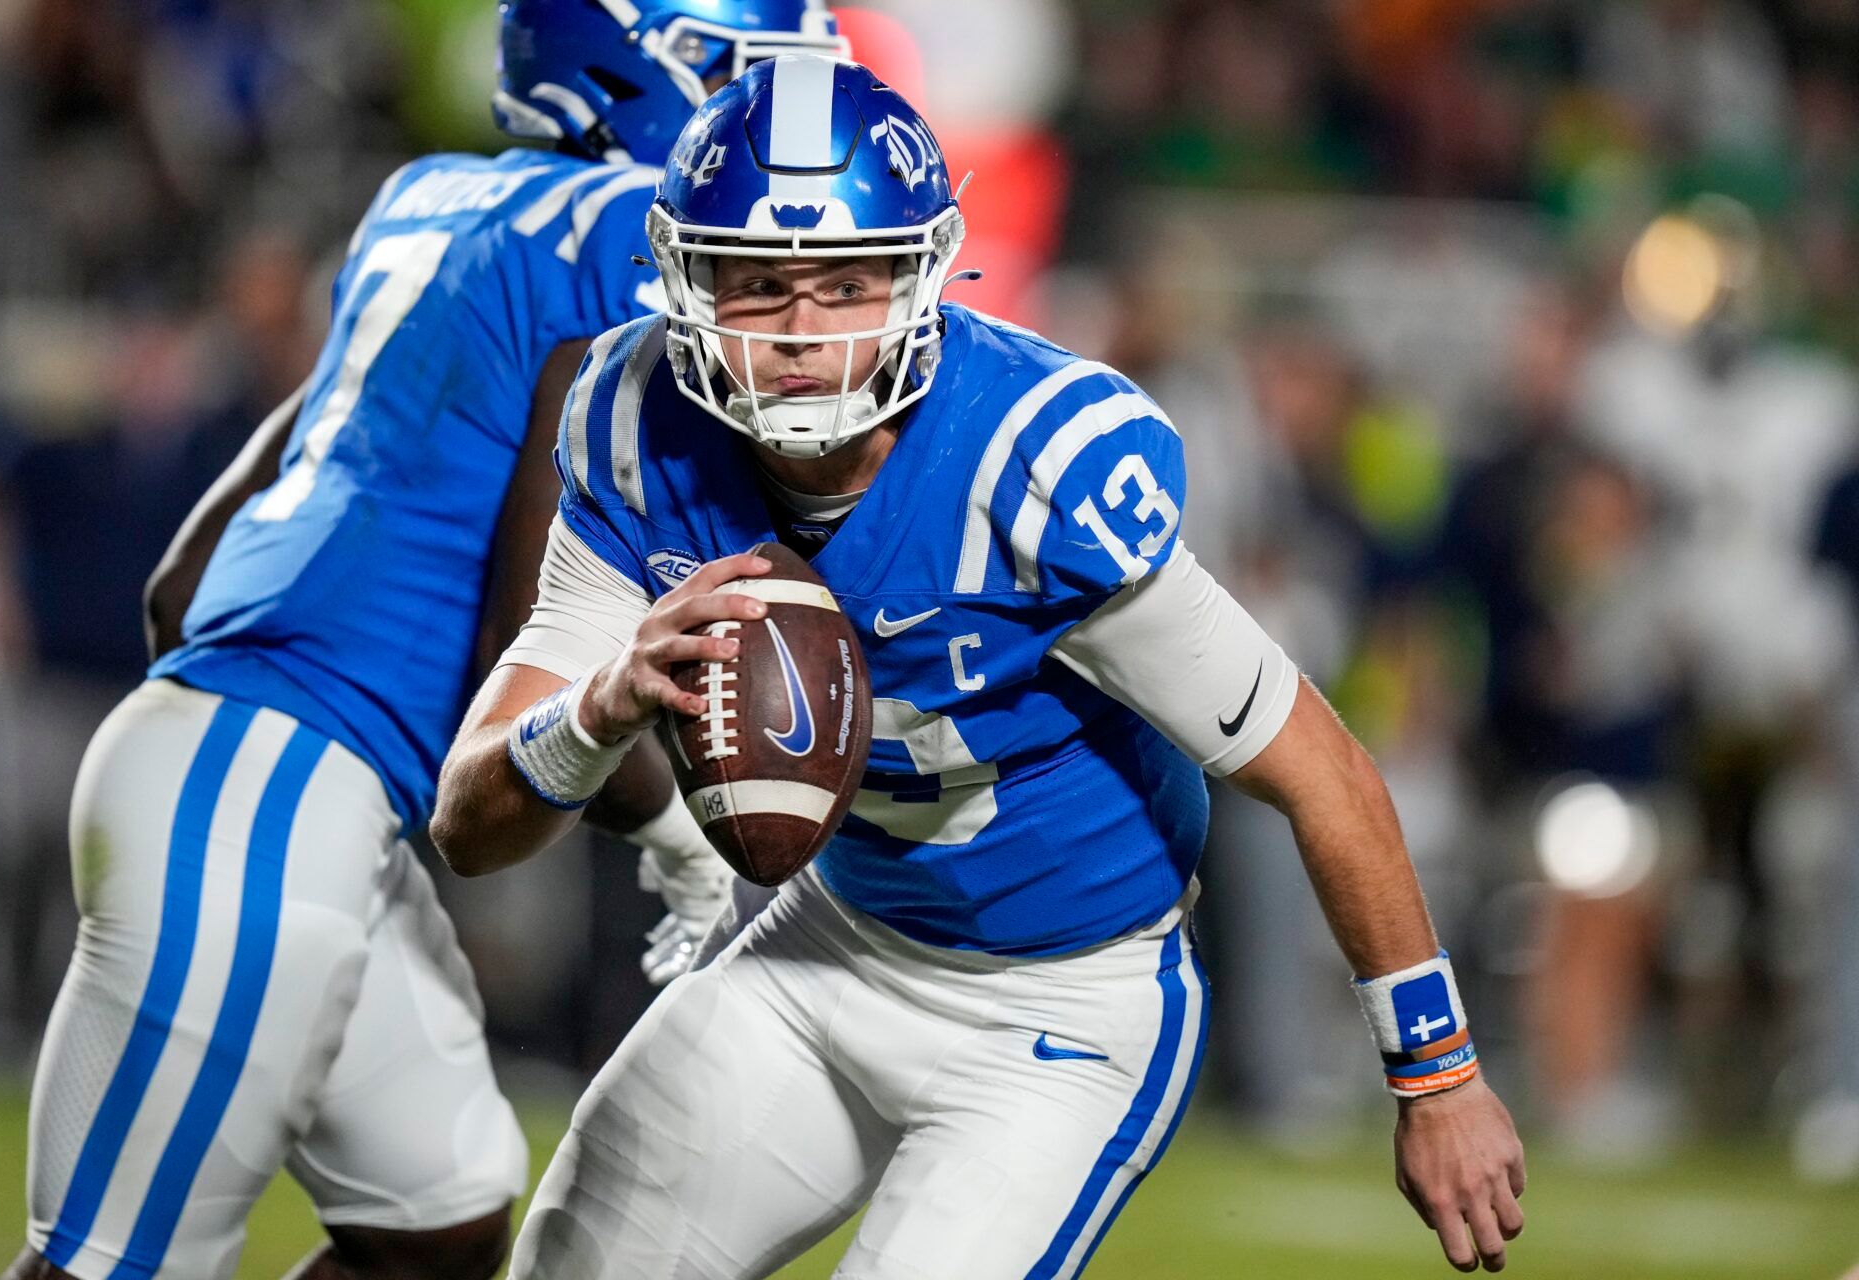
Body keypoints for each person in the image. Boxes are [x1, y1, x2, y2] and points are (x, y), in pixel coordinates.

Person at [436, 57, 1526, 1279]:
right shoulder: (637, 428)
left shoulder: (1034, 466)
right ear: (686, 280)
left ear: (921, 279)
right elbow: (471, 821)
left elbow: (1322, 771)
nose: (802, 337)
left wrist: (1439, 1073)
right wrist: (595, 709)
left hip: (1059, 1012)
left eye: (846, 285)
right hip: (828, 950)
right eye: (757, 287)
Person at [2, 6, 846, 1280]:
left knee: (434, 1221)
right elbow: (539, 641)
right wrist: (681, 824)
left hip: (244, 762)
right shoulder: (636, 242)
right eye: (751, 79)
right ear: (649, 69)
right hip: (272, 789)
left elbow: (183, 580)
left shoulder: (430, 197)